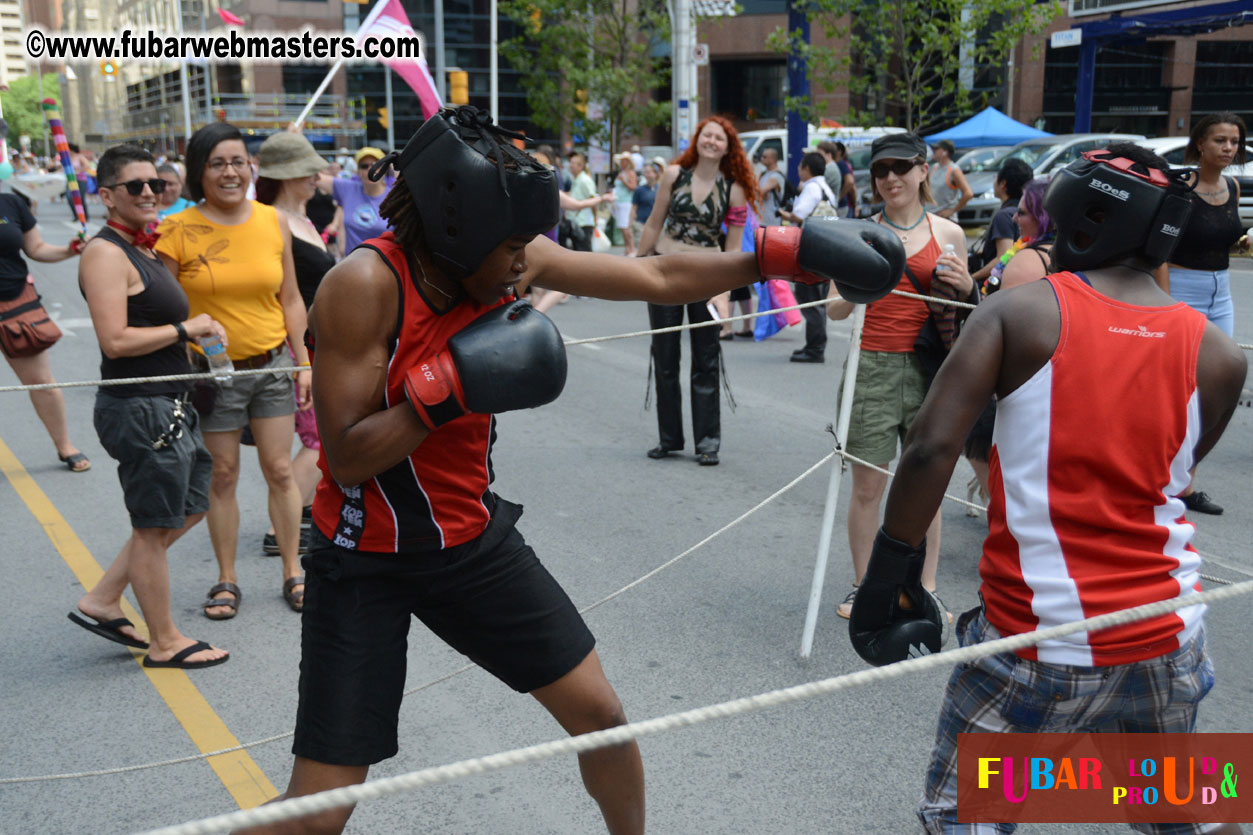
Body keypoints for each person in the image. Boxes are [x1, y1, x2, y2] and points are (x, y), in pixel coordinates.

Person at [239, 104, 904, 835]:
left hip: (467, 541)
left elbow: (656, 274)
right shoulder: (365, 285)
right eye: (513, 245)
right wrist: (447, 387)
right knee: (319, 813)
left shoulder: (508, 256)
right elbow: (346, 455)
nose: (527, 259)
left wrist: (783, 254)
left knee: (602, 716)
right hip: (362, 557)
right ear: (458, 228)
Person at [844, 144, 1246, 835]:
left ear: (1077, 215)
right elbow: (1172, 476)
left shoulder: (1018, 311)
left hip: (1037, 639)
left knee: (966, 814)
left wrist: (887, 576)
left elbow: (933, 448)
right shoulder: (1218, 352)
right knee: (1184, 803)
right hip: (1170, 631)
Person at [71, 144, 230, 670]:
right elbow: (115, 340)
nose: (148, 193)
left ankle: (103, 597)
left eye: (155, 184)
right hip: (141, 408)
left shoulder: (139, 247)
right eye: (134, 186)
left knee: (188, 506)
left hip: (169, 402)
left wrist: (195, 340)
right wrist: (189, 328)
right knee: (151, 525)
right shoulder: (105, 253)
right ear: (107, 195)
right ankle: (164, 641)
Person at [155, 122, 312, 619]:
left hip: (272, 364)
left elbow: (289, 297)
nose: (230, 172)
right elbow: (161, 304)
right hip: (212, 374)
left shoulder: (272, 221)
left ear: (252, 167)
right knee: (221, 475)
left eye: (238, 161)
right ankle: (226, 578)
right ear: (199, 172)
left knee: (282, 469)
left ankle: (293, 570)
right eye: (217, 163)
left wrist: (303, 361)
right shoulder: (175, 230)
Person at [825, 133, 970, 619]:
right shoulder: (858, 232)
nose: (891, 179)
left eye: (901, 168)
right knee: (869, 487)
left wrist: (968, 286)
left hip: (930, 369)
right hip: (872, 367)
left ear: (924, 170)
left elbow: (962, 309)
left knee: (924, 485)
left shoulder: (948, 234)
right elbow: (834, 310)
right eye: (881, 171)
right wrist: (862, 284)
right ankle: (864, 586)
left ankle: (924, 586)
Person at [635, 115, 761, 465]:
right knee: (664, 358)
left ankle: (708, 443)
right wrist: (636, 264)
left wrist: (723, 295)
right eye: (706, 135)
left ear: (728, 147)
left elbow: (733, 250)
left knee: (706, 360)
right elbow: (654, 221)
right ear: (697, 139)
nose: (711, 142)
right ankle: (669, 439)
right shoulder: (674, 175)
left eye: (719, 138)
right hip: (663, 272)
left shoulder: (734, 189)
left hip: (706, 279)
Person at [254, 132, 337, 556]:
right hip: (296, 344)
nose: (319, 176)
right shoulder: (273, 220)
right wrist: (301, 357)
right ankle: (280, 530)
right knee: (318, 436)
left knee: (324, 431)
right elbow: (285, 293)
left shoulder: (301, 218)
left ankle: (301, 509)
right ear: (289, 175)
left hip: (320, 340)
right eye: (310, 170)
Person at [1162, 112, 1247, 518]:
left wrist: (1243, 242)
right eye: (1220, 141)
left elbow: (1223, 240)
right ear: (1200, 143)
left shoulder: (1231, 187)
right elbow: (1161, 248)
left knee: (1214, 388)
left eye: (1234, 141)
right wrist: (1163, 301)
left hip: (1222, 292)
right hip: (1182, 290)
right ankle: (1164, 477)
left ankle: (1185, 481)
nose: (1228, 148)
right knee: (1178, 392)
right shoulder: (1181, 188)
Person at [962, 176, 1055, 514]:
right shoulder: (1064, 253)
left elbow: (1009, 328)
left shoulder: (1028, 260)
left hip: (1018, 374)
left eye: (1023, 213)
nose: (1014, 219)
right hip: (1050, 374)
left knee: (985, 445)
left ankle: (1003, 517)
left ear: (1044, 216)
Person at [0, 185, 90, 471]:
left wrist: (69, 250)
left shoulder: (11, 203)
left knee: (43, 383)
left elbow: (36, 248)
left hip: (14, 301)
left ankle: (65, 446)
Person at [779, 151, 839, 363]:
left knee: (809, 300)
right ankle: (814, 346)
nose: (798, 170)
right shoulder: (826, 189)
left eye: (800, 166)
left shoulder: (811, 188)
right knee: (817, 300)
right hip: (825, 250)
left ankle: (814, 349)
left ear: (807, 168)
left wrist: (783, 213)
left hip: (810, 250)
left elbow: (798, 215)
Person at [970, 158, 1034, 285]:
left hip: (997, 285)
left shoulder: (1004, 216)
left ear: (1003, 183)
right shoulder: (1028, 211)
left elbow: (1003, 258)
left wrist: (972, 278)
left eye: (996, 177)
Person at [333, 146, 392, 253]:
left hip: (385, 266)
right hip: (352, 265)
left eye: (375, 165)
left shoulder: (394, 197)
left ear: (384, 168)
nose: (370, 169)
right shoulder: (348, 189)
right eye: (364, 166)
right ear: (358, 171)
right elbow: (317, 176)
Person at [926, 139, 973, 221]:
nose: (934, 151)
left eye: (936, 149)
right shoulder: (935, 167)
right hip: (931, 216)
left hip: (946, 219)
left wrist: (952, 211)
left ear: (945, 152)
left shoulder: (954, 170)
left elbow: (968, 193)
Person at [564, 150, 598, 252]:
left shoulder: (585, 180)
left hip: (584, 222)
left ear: (581, 166)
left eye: (574, 163)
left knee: (584, 253)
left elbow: (594, 200)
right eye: (571, 162)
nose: (571, 165)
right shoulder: (576, 179)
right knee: (578, 251)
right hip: (577, 222)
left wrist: (595, 218)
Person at [817, 140, 857, 218]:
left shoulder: (840, 164)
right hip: (844, 204)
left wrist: (840, 196)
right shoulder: (844, 163)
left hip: (841, 205)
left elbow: (850, 182)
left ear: (839, 152)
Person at [612, 152, 639, 256]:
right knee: (622, 227)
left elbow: (633, 187)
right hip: (618, 201)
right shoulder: (622, 172)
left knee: (627, 227)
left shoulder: (631, 173)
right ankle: (627, 247)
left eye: (624, 161)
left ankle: (631, 248)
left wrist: (624, 181)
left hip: (626, 202)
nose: (622, 163)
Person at [629, 161, 660, 246]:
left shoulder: (661, 189)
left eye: (649, 172)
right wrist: (630, 225)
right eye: (645, 172)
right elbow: (634, 207)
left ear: (655, 174)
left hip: (657, 226)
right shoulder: (639, 190)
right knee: (642, 250)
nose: (647, 175)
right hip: (641, 224)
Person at [757, 147, 787, 226]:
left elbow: (760, 192)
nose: (761, 158)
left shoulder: (776, 176)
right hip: (762, 219)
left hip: (770, 221)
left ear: (773, 159)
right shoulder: (764, 174)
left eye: (764, 157)